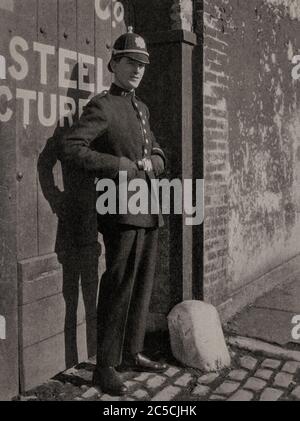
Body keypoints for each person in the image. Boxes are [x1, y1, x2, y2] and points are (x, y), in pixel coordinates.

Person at [61, 27, 167, 396]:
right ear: (114, 65)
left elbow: (157, 150)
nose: (137, 69)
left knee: (141, 285)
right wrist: (119, 165)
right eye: (130, 62)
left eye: (142, 64)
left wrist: (155, 160)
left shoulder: (142, 108)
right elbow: (71, 148)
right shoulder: (103, 106)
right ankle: (104, 365)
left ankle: (131, 351)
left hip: (148, 208)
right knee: (119, 285)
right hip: (118, 208)